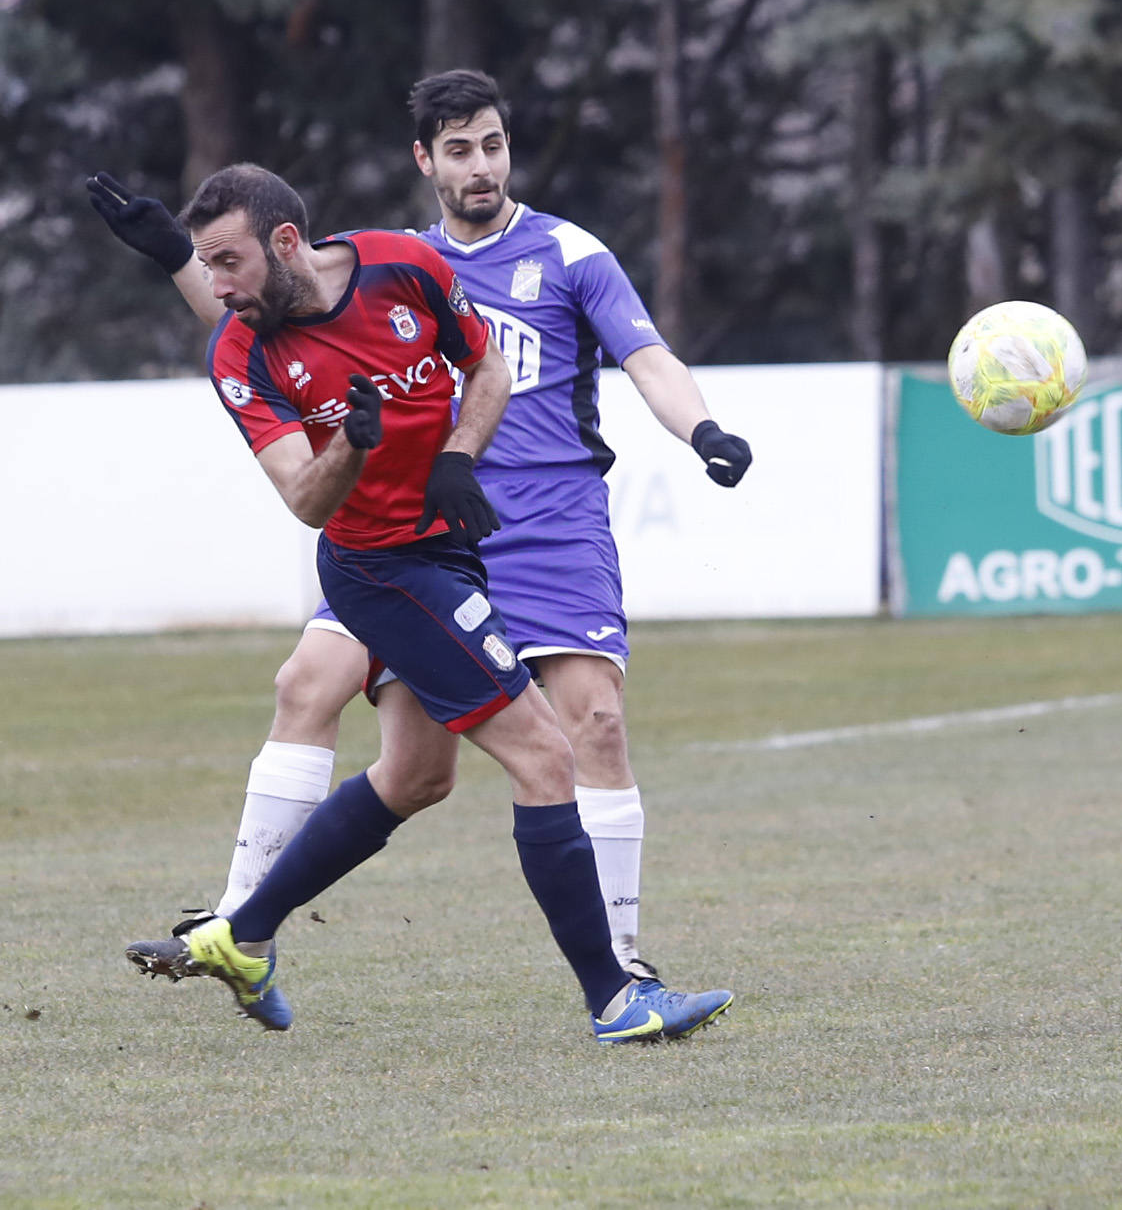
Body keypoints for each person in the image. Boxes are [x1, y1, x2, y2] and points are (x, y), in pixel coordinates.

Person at [87, 68, 751, 1008]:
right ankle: (240, 927)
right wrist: (177, 263)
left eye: (493, 144)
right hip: (389, 536)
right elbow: (264, 330)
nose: (480, 165)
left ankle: (617, 961)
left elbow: (640, 355)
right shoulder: (380, 260)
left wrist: (702, 431)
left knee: (527, 741)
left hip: (528, 518)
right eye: (459, 149)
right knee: (319, 688)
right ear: (425, 160)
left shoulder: (553, 255)